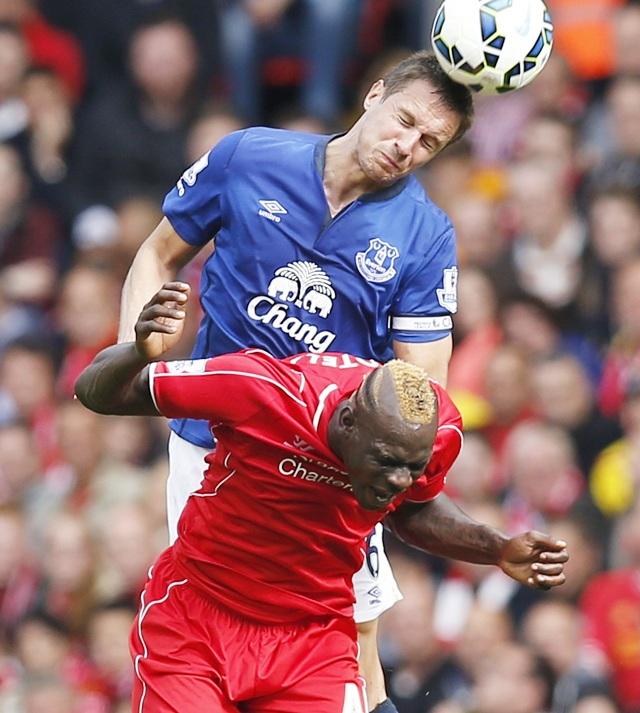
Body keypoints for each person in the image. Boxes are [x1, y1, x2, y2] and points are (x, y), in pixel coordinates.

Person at [117, 50, 474, 712]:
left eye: (430, 142)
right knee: (241, 631)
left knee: (358, 648)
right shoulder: (248, 158)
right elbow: (158, 252)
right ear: (373, 95)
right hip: (214, 446)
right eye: (404, 121)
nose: (408, 146)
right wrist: (133, 352)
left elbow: (425, 389)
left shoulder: (425, 235)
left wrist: (388, 464)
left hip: (329, 467)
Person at [76, 282, 569, 713]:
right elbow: (98, 393)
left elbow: (412, 511)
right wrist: (138, 353)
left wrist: (497, 548)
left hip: (312, 640)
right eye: (386, 462)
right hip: (199, 619)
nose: (398, 480)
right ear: (348, 423)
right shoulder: (261, 390)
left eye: (410, 467)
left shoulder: (436, 432)